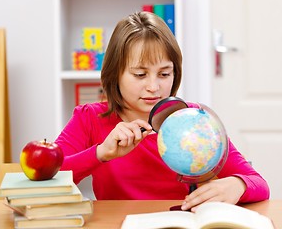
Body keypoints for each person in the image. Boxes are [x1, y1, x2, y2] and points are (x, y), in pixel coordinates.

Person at [55, 11, 270, 212]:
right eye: (140, 74)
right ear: (115, 74)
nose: (153, 87)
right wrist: (100, 153)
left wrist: (237, 184)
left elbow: (259, 183)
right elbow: (51, 179)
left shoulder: (192, 118)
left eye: (164, 74)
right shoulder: (89, 118)